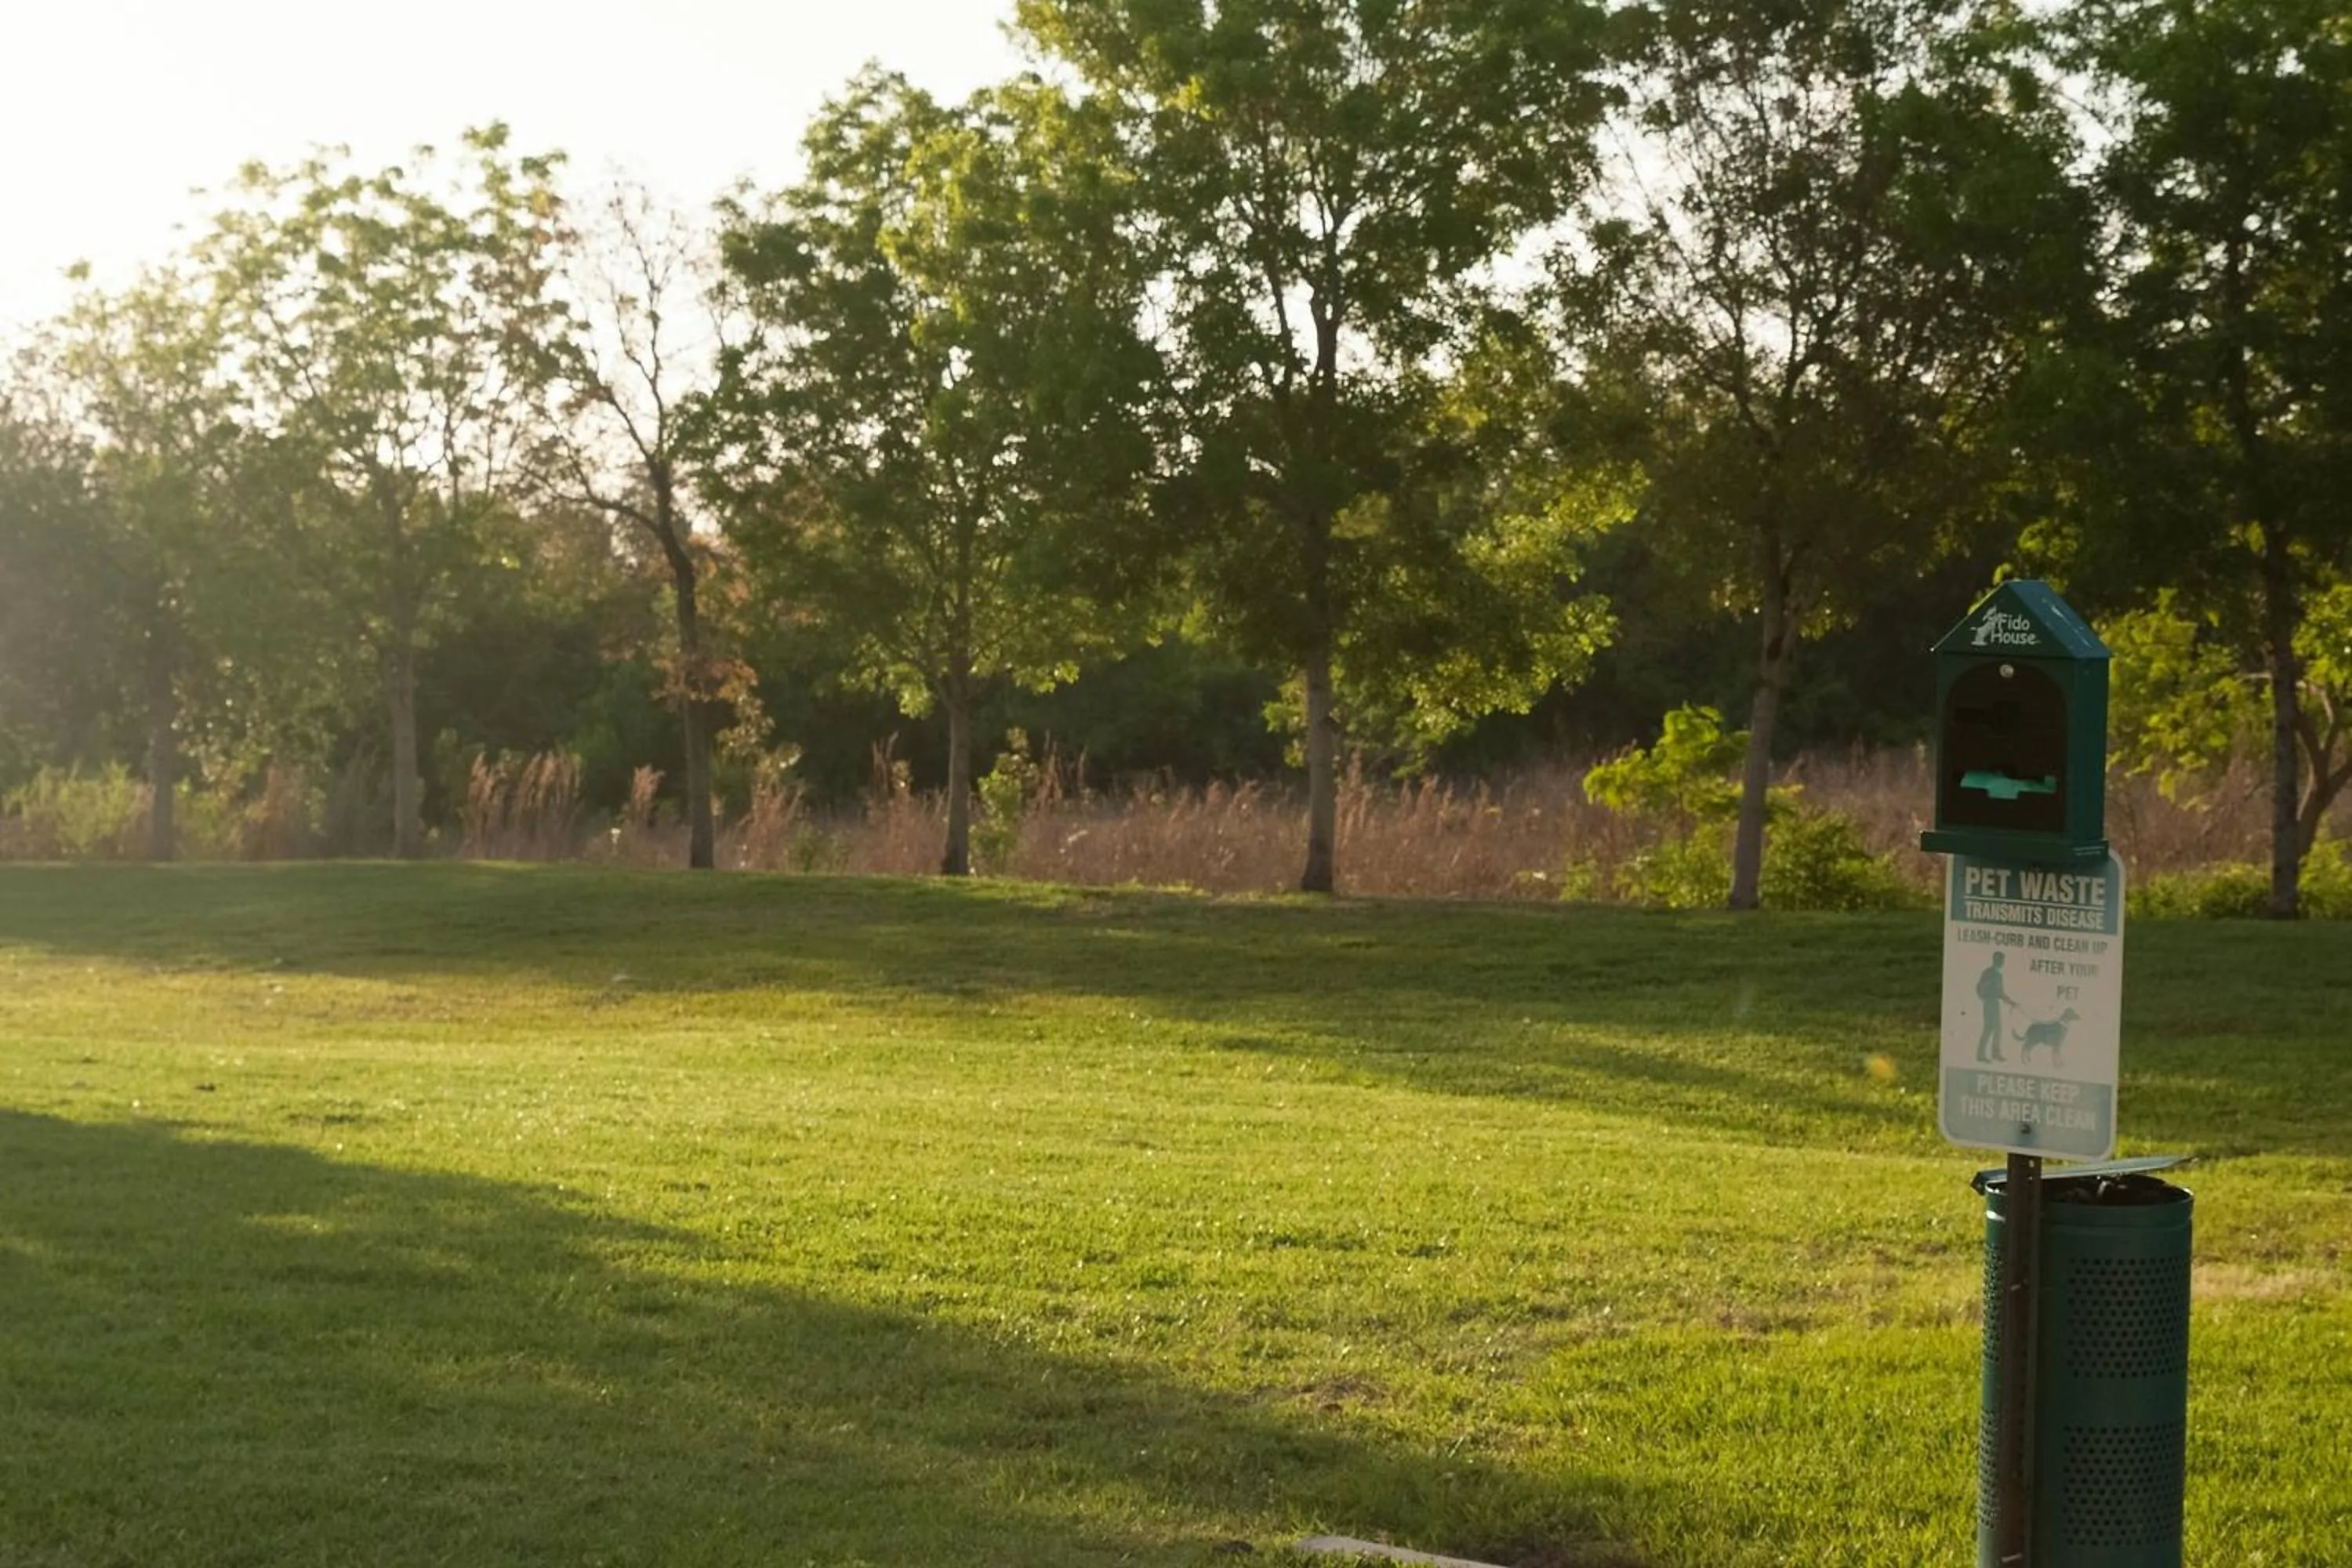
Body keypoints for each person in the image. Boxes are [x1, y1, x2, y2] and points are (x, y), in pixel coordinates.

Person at [1975, 953, 2018, 1062]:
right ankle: (1981, 1055)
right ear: (1996, 960)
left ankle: (1994, 1053)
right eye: (2002, 960)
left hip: (1994, 1002)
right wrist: (1984, 998)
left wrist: (2010, 1001)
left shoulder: (1997, 974)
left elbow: (2000, 992)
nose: (2003, 963)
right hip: (1990, 1003)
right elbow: (1980, 987)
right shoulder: (1990, 973)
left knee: (1997, 1029)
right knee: (1990, 1028)